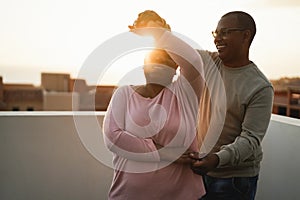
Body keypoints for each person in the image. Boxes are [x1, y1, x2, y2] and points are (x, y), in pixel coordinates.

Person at [103, 10, 207, 200]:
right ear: (143, 63)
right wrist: (167, 154)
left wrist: (157, 32)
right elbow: (113, 138)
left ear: (176, 68)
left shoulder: (185, 94)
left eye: (167, 60)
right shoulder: (124, 93)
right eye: (154, 58)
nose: (159, 63)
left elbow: (192, 60)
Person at [188, 11, 274, 200]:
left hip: (234, 181)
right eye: (216, 33)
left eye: (225, 32)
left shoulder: (260, 86)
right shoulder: (209, 62)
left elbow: (250, 139)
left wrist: (216, 159)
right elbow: (177, 51)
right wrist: (156, 29)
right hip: (200, 172)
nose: (217, 39)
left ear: (246, 35)